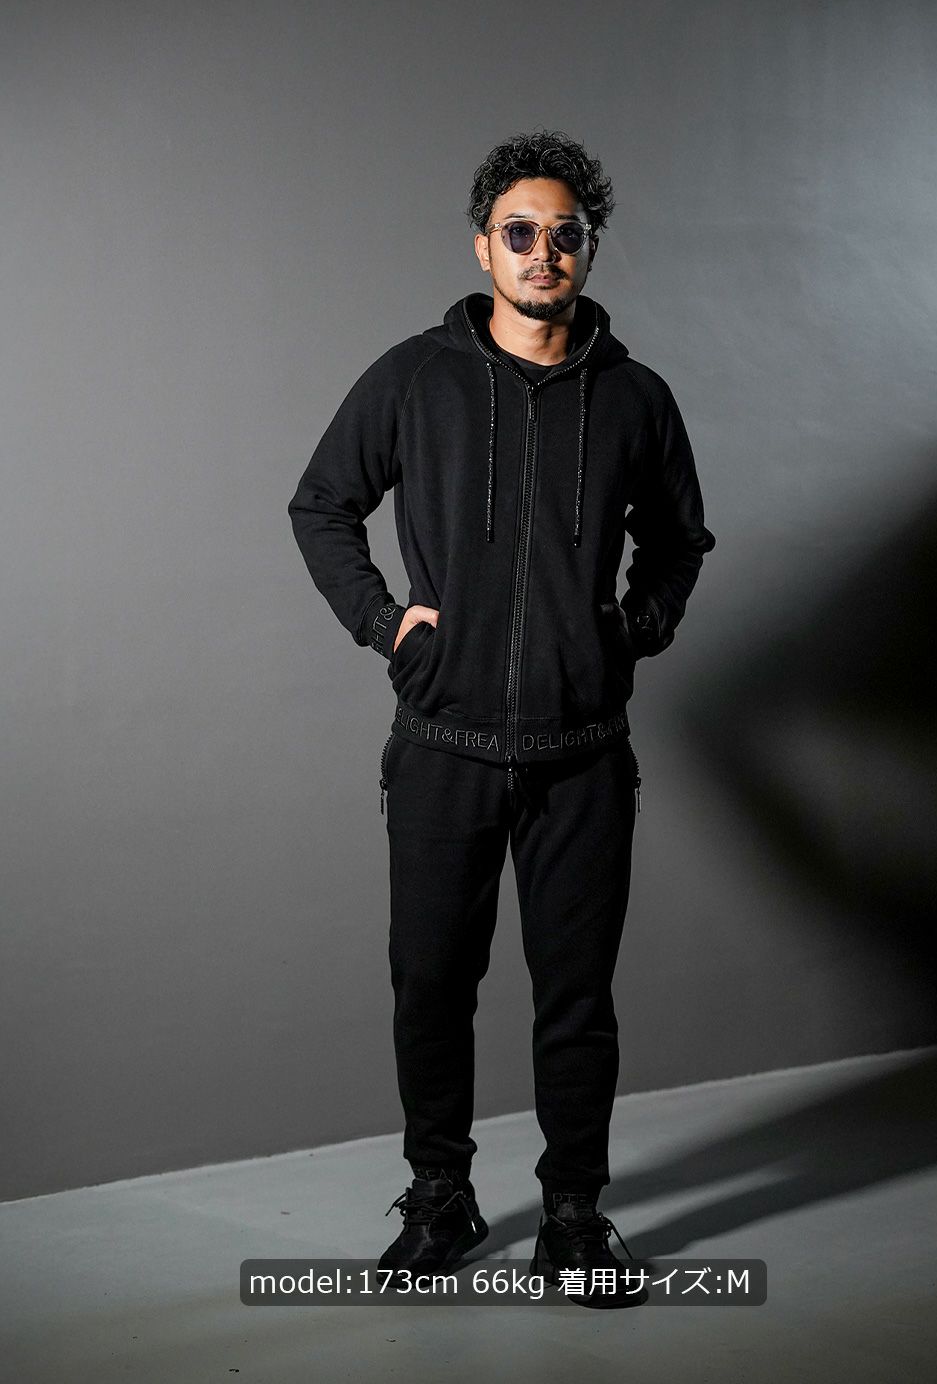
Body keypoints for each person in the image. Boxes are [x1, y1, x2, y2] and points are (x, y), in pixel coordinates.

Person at [287, 129, 715, 1309]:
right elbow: (321, 506)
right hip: (443, 747)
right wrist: (387, 624)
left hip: (582, 757)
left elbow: (679, 539)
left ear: (588, 248)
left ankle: (573, 1215)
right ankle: (440, 1195)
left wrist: (630, 630)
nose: (541, 252)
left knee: (576, 998)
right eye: (518, 232)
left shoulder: (635, 397)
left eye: (564, 233)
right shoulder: (414, 378)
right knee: (430, 985)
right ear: (482, 247)